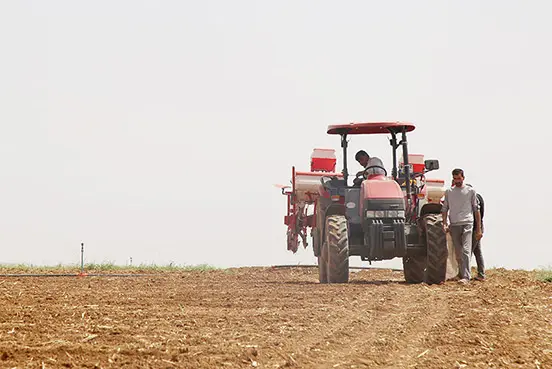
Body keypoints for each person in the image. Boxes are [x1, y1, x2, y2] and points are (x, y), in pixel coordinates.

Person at [441, 168, 482, 284]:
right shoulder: (449, 192)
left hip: (467, 223)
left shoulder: (470, 191)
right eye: (455, 179)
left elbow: (476, 210)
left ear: (463, 178)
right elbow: (445, 209)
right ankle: (460, 273)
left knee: (465, 250)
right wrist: (444, 223)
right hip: (454, 224)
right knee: (458, 252)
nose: (457, 181)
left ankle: (466, 277)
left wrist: (478, 229)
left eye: (459, 178)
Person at [466, 183, 485, 281]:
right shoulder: (479, 197)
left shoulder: (474, 199)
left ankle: (465, 274)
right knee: (477, 251)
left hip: (475, 228)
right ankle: (481, 274)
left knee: (467, 251)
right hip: (478, 227)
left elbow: (477, 214)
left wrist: (478, 229)